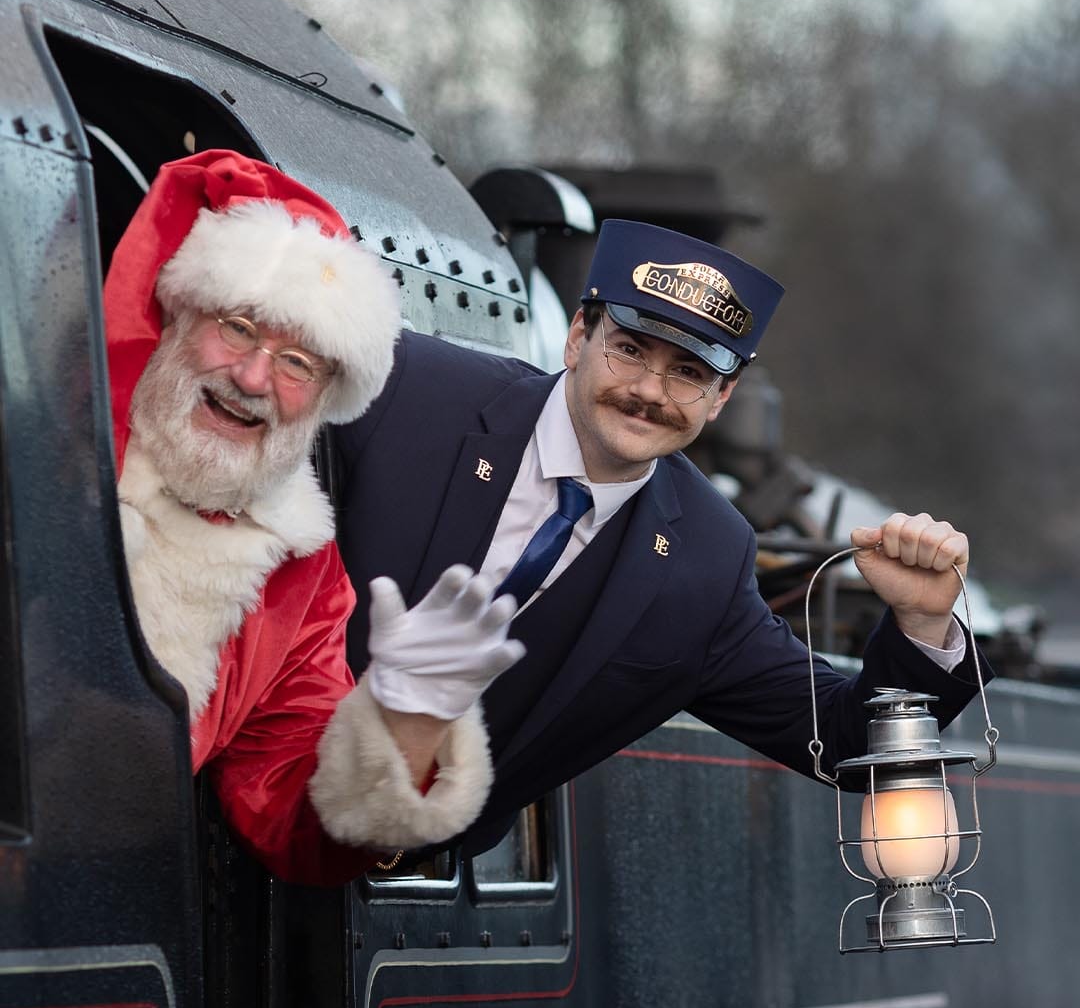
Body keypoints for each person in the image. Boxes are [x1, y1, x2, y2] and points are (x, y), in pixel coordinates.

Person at [334, 218, 989, 859]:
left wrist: (923, 624)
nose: (649, 391)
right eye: (630, 349)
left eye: (689, 372)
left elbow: (846, 747)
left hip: (391, 884)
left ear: (722, 397)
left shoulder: (707, 560)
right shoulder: (409, 390)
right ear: (576, 337)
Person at [105, 149, 522, 884]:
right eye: (236, 327)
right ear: (179, 316)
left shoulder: (303, 581)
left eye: (300, 362)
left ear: (328, 398)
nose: (254, 378)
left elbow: (294, 818)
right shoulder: (45, 436)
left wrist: (410, 724)